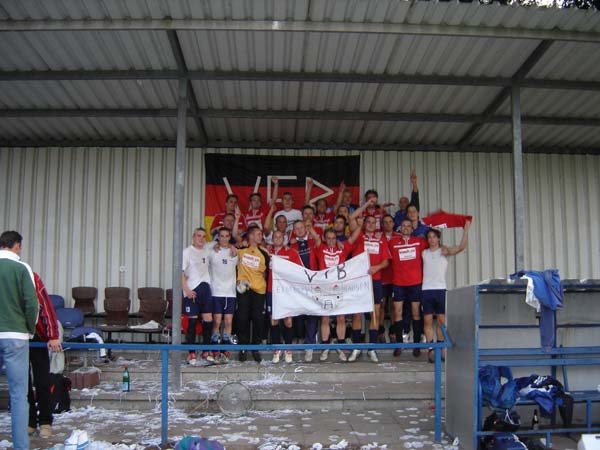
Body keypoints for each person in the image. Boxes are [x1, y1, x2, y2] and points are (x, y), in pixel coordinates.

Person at [0, 231, 39, 450]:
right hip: (15, 336)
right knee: (18, 395)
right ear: (17, 245)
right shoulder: (22, 268)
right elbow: (32, 304)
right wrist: (29, 330)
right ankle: (20, 446)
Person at [347, 200, 391, 363]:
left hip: (375, 280)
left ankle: (372, 347)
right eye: (369, 222)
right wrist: (366, 206)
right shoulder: (359, 236)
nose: (371, 224)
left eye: (374, 222)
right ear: (364, 224)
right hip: (359, 281)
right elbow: (351, 217)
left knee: (375, 313)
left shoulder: (381, 240)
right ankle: (356, 347)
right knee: (357, 314)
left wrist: (377, 267)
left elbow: (386, 262)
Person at [422, 222, 470, 362]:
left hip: (440, 289)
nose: (432, 239)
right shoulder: (423, 253)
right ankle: (430, 349)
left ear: (438, 239)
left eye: (434, 237)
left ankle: (441, 348)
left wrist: (465, 231)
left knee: (441, 321)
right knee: (427, 320)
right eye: (429, 237)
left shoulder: (444, 251)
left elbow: (461, 247)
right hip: (426, 290)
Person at [315, 227, 360, 362]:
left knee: (341, 317)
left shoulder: (342, 248)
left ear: (337, 239)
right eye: (328, 238)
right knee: (325, 318)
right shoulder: (320, 248)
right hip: (324, 287)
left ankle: (341, 345)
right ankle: (325, 346)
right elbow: (315, 236)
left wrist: (361, 224)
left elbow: (353, 238)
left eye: (333, 238)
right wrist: (308, 225)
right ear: (324, 239)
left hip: (339, 287)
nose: (331, 241)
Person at [388, 219, 428, 357]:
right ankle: (399, 344)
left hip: (415, 283)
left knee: (416, 313)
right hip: (398, 283)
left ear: (412, 229)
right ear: (400, 228)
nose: (405, 228)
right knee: (397, 313)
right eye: (403, 226)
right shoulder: (392, 242)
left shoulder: (419, 241)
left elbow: (434, 244)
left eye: (408, 226)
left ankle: (416, 345)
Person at [28, 272, 62, 439]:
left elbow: (46, 307)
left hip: (37, 335)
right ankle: (29, 422)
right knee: (22, 383)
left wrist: (52, 335)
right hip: (15, 335)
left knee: (42, 380)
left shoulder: (31, 276)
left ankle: (45, 422)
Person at [267, 230, 303, 364]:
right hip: (271, 290)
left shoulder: (291, 252)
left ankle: (288, 349)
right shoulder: (267, 251)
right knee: (274, 320)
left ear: (284, 239)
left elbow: (300, 271)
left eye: (280, 236)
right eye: (275, 236)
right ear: (272, 239)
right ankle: (277, 349)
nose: (277, 238)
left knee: (288, 321)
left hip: (286, 291)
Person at [288, 220, 321, 362]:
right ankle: (301, 338)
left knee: (312, 315)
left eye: (302, 227)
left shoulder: (312, 242)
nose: (300, 230)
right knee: (299, 314)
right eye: (297, 228)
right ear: (294, 231)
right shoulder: (292, 246)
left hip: (313, 284)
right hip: (298, 285)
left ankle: (310, 345)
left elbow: (319, 241)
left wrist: (310, 228)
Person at [236, 226, 269, 363]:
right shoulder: (241, 249)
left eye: (261, 234)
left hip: (259, 290)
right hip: (244, 289)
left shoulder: (264, 253)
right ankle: (243, 347)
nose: (260, 236)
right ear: (250, 236)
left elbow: (268, 272)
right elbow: (228, 246)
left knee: (258, 319)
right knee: (242, 318)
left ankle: (255, 347)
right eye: (258, 234)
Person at [182, 227, 213, 365]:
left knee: (208, 320)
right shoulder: (187, 252)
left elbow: (221, 245)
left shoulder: (207, 251)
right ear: (193, 237)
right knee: (192, 322)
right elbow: (181, 273)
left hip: (205, 288)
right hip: (192, 290)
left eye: (203, 236)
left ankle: (206, 351)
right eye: (198, 236)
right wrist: (187, 290)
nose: (201, 238)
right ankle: (192, 353)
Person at [208, 227, 238, 363]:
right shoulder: (212, 251)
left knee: (228, 322)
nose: (224, 238)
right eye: (222, 236)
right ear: (218, 237)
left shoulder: (234, 252)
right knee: (217, 321)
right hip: (216, 292)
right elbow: (203, 248)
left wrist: (233, 246)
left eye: (227, 236)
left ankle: (225, 351)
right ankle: (215, 350)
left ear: (229, 237)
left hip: (230, 293)